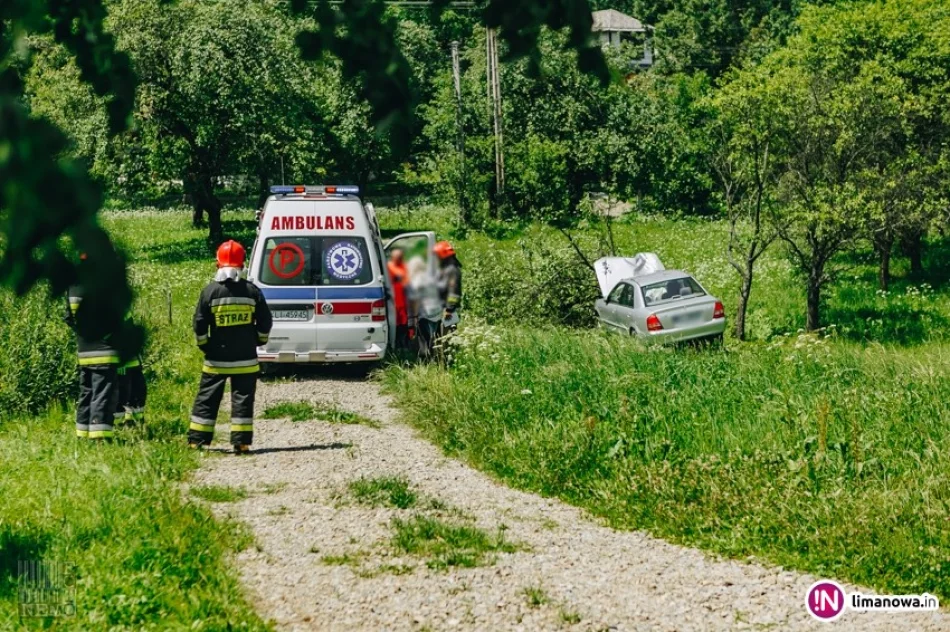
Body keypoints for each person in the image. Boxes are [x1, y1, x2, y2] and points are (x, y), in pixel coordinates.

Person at [189, 240, 272, 454]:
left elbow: (199, 323)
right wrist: (258, 341)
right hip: (246, 359)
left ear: (218, 264)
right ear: (242, 265)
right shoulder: (252, 291)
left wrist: (205, 345)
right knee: (243, 400)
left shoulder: (209, 292)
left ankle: (197, 441)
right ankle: (241, 443)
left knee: (207, 399)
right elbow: (265, 322)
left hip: (216, 360)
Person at [66, 253, 121, 441]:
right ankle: (100, 438)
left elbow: (68, 318)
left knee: (86, 393)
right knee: (103, 394)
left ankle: (82, 434)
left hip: (84, 351)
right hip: (105, 350)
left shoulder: (72, 286)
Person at [406, 256, 442, 360]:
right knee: (435, 335)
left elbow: (415, 300)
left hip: (425, 313)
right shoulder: (431, 276)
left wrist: (414, 316)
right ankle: (437, 356)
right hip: (437, 311)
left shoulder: (417, 279)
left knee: (425, 337)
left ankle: (428, 357)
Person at [433, 240, 462, 338]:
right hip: (443, 308)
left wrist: (449, 309)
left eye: (437, 255)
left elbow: (454, 291)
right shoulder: (447, 268)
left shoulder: (452, 270)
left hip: (448, 310)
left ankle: (446, 348)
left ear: (443, 255)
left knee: (446, 337)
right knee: (440, 336)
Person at [387, 248, 412, 350]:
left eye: (400, 257)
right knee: (394, 324)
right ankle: (394, 345)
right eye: (396, 257)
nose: (398, 259)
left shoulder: (405, 266)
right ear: (392, 257)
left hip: (403, 302)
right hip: (392, 302)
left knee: (404, 324)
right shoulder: (388, 266)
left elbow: (408, 282)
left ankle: (404, 345)